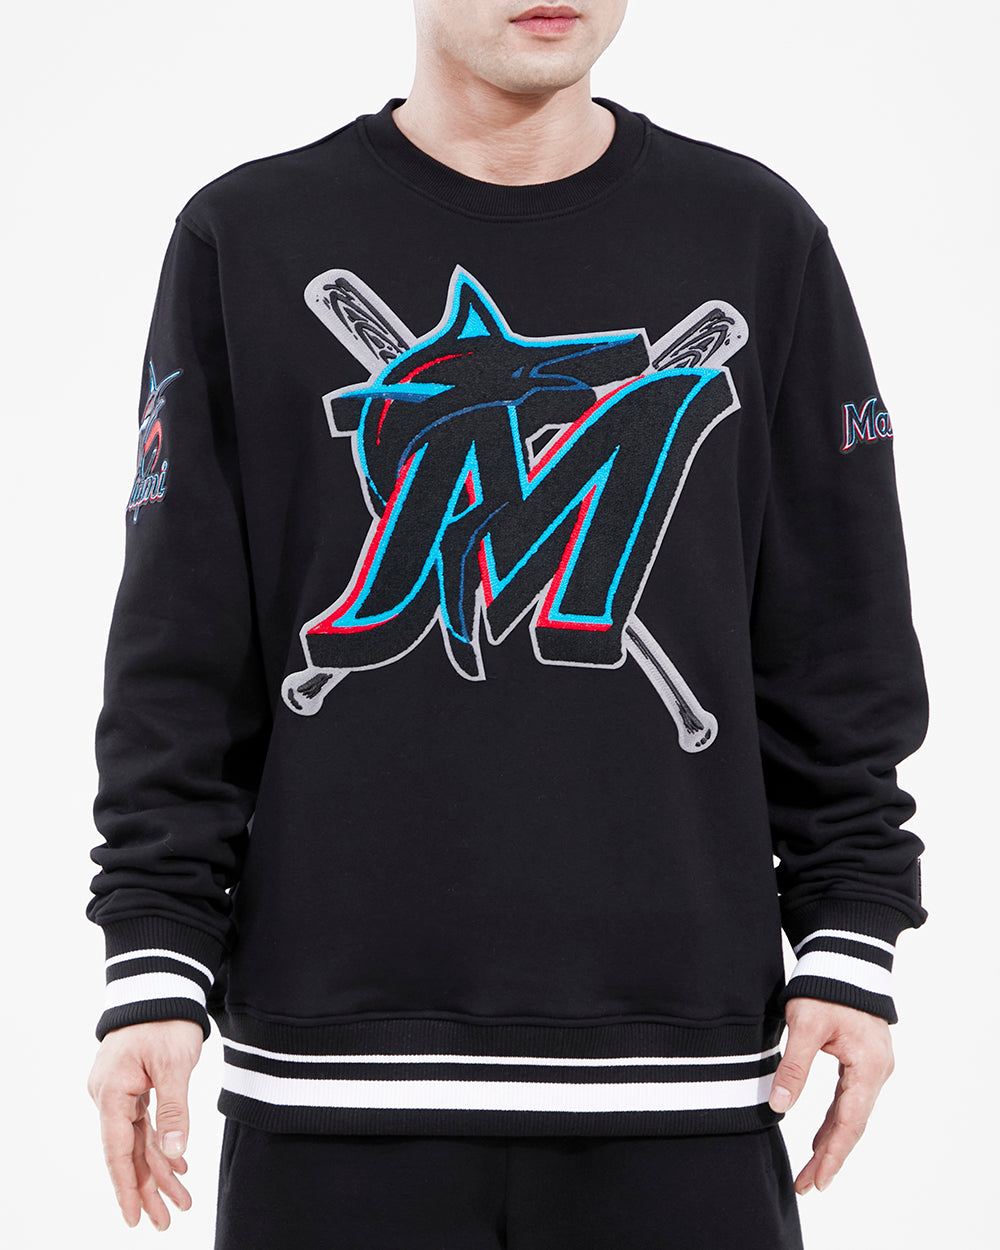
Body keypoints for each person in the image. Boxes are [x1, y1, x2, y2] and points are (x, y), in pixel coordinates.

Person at [85, 2, 929, 1246]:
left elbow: (837, 638)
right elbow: (181, 646)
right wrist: (155, 962)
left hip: (689, 1084)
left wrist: (850, 931)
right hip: (332, 1088)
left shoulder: (754, 235)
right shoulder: (248, 235)